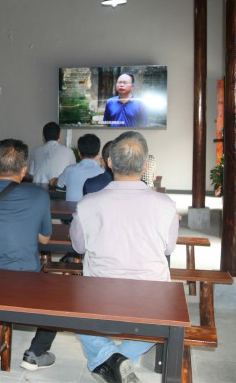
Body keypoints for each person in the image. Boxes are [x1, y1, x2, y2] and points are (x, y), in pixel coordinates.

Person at [70, 131, 178, 383]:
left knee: (71, 313)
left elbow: (78, 247)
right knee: (156, 326)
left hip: (98, 297)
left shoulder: (87, 204)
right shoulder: (166, 205)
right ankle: (119, 360)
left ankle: (110, 359)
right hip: (152, 299)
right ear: (145, 165)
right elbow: (168, 249)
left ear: (108, 162)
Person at [0, 139, 56, 371]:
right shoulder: (39, 196)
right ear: (24, 170)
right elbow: (45, 240)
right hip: (25, 278)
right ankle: (36, 352)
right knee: (60, 296)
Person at [51, 134, 103, 202]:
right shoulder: (102, 172)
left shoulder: (69, 170)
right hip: (93, 208)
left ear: (79, 153)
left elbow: (58, 183)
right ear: (99, 153)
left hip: (71, 208)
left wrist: (52, 181)